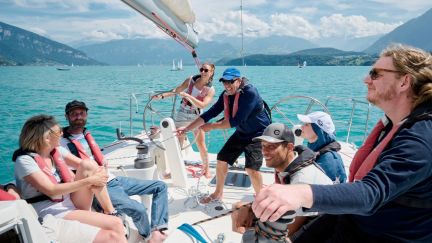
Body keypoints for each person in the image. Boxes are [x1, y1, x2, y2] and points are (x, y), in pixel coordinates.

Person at [252, 44, 432, 242]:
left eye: (375, 74)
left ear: (404, 81)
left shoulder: (422, 138)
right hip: (356, 220)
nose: (366, 80)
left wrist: (299, 192)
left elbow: (371, 192)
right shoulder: (395, 125)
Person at [61, 100, 169, 242]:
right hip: (100, 187)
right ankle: (148, 237)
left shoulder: (86, 134)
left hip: (114, 179)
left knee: (160, 186)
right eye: (74, 114)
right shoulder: (61, 142)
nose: (79, 116)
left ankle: (157, 229)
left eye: (81, 113)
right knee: (139, 210)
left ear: (86, 114)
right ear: (67, 117)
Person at [13, 114, 127, 243]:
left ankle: (110, 211)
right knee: (117, 226)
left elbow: (85, 166)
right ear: (46, 138)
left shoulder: (56, 151)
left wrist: (98, 171)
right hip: (51, 212)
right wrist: (90, 181)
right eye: (58, 131)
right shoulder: (25, 161)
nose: (62, 133)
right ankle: (111, 218)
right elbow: (51, 190)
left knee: (88, 165)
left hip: (70, 203)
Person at [177, 67, 271, 203]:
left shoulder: (250, 93)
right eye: (224, 82)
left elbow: (235, 121)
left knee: (252, 168)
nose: (227, 85)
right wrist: (187, 128)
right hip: (242, 132)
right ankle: (217, 193)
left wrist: (211, 126)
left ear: (238, 81)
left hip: (258, 133)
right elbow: (211, 113)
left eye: (230, 82)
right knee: (221, 160)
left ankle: (261, 197)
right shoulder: (226, 94)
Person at [231, 123, 332, 239]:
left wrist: (252, 231)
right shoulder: (286, 167)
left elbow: (289, 232)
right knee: (238, 207)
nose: (264, 151)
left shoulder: (302, 179)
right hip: (298, 217)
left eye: (272, 147)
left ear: (289, 147)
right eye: (263, 146)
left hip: (316, 230)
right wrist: (248, 208)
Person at [154, 63, 216, 178]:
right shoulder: (190, 80)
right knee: (177, 144)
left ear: (211, 72)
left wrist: (188, 96)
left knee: (201, 144)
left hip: (197, 116)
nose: (203, 72)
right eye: (201, 69)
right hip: (182, 114)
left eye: (206, 70)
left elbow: (202, 105)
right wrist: (162, 96)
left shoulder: (211, 90)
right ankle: (175, 171)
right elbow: (177, 90)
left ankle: (206, 170)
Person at [297, 111, 347, 183]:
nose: (302, 126)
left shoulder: (329, 160)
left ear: (318, 130)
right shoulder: (317, 152)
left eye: (306, 124)